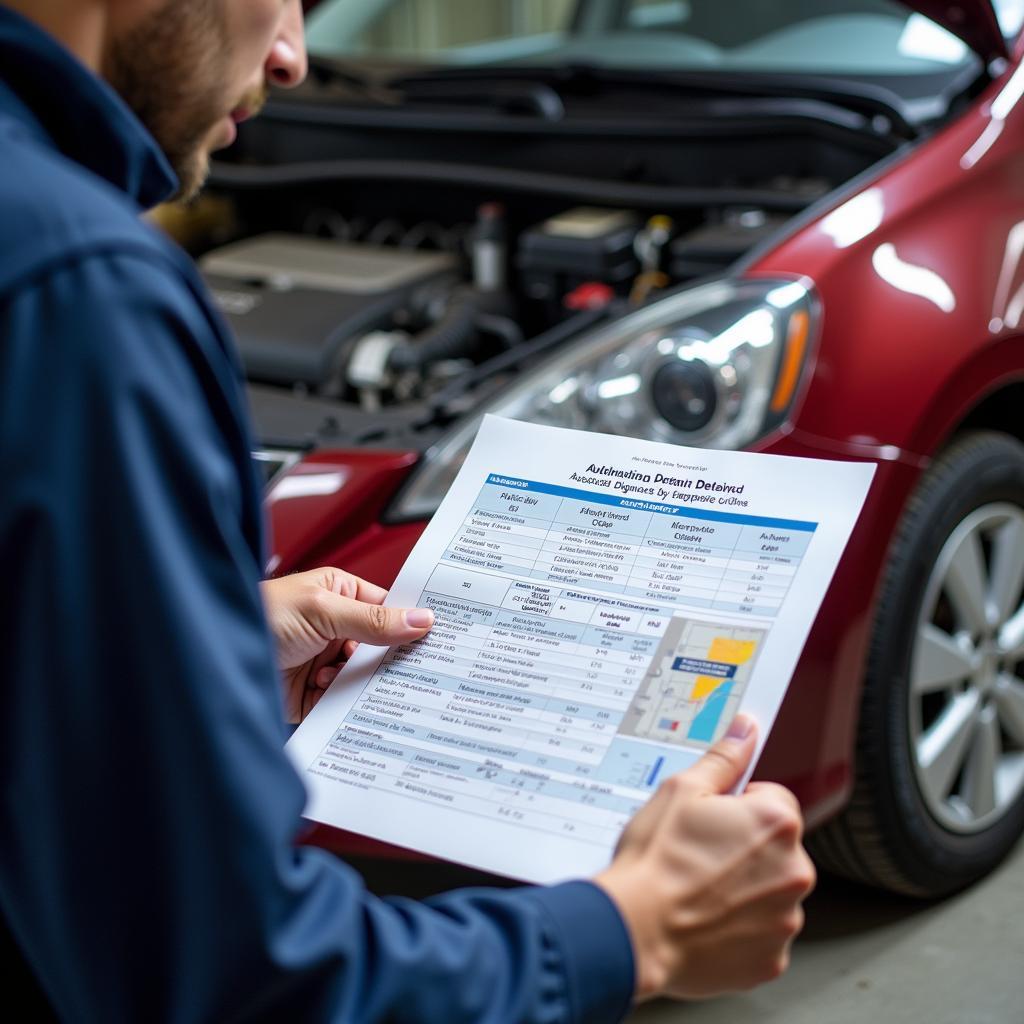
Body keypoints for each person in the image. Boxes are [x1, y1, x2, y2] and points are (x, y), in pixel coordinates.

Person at [0, 2, 816, 1021]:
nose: (293, 55)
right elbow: (240, 978)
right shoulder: (81, 289)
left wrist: (190, 646)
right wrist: (631, 930)